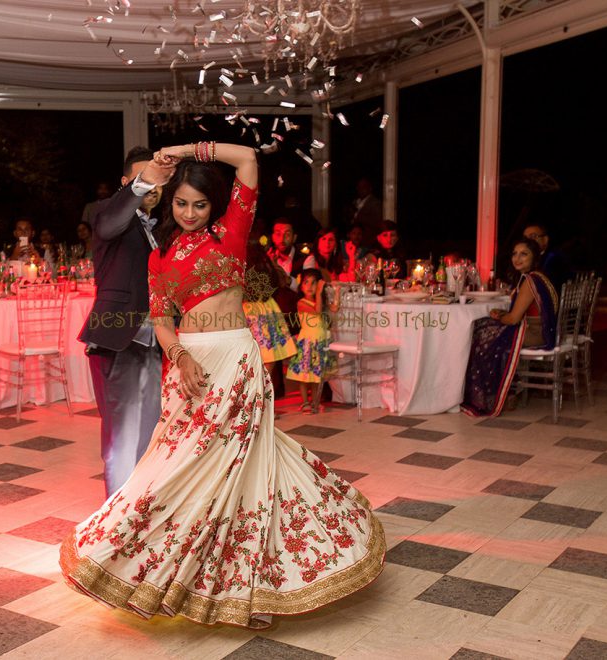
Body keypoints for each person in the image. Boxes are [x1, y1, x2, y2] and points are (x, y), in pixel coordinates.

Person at [61, 142, 385, 630]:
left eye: (199, 203)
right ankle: (158, 564)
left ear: (214, 205)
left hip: (235, 361)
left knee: (239, 471)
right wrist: (180, 356)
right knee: (178, 467)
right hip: (187, 367)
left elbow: (249, 161)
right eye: (180, 203)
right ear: (168, 202)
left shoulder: (232, 232)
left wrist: (188, 150)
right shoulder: (161, 255)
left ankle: (247, 590)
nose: (189, 213)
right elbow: (161, 320)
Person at [77, 146, 168, 497]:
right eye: (147, 178)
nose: (155, 185)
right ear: (127, 182)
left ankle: (139, 513)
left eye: (161, 179)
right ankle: (114, 525)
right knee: (122, 439)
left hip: (154, 342)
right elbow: (112, 219)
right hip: (120, 340)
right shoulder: (108, 215)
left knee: (150, 434)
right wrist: (145, 182)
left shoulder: (160, 227)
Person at [461, 238, 558, 417]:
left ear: (534, 257)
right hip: (541, 330)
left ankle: (493, 396)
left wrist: (500, 317)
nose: (517, 258)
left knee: (481, 334)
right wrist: (500, 316)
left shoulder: (530, 280)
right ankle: (507, 391)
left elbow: (513, 319)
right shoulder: (538, 276)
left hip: (536, 333)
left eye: (524, 254)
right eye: (515, 253)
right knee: (484, 326)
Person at [243, 238, 297, 385]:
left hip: (249, 311)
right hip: (267, 309)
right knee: (269, 357)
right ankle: (265, 395)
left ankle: (257, 397)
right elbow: (281, 282)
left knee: (251, 359)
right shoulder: (267, 266)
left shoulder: (242, 267)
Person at [286, 268, 338, 414]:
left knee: (316, 376)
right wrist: (320, 292)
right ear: (301, 286)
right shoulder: (301, 303)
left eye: (314, 283)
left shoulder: (320, 302)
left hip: (319, 342)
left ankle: (315, 401)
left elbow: (335, 308)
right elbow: (317, 310)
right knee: (304, 376)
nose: (310, 286)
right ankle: (305, 402)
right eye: (306, 283)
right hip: (308, 343)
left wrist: (337, 293)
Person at [523, 222, 572, 290]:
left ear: (545, 240)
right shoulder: (524, 259)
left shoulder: (554, 258)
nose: (528, 242)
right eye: (525, 238)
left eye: (533, 236)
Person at [350, 177, 382, 241]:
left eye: (363, 187)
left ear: (370, 188)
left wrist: (356, 216)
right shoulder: (355, 202)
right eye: (359, 187)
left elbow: (377, 222)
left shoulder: (375, 203)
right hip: (354, 239)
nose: (360, 189)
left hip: (368, 239)